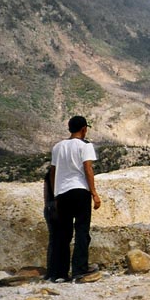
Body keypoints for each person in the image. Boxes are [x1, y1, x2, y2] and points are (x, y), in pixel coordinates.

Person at [49, 115, 101, 282]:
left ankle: (60, 273)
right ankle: (79, 269)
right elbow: (88, 169)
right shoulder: (85, 146)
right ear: (84, 129)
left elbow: (53, 172)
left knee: (63, 233)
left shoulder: (57, 147)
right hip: (80, 191)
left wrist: (55, 193)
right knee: (81, 231)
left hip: (62, 193)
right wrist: (94, 193)